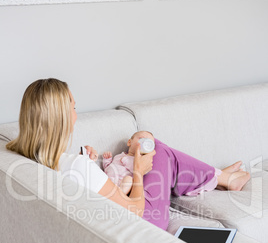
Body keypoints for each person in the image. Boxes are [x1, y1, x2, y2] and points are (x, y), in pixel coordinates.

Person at [6, 78, 251, 231]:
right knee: (153, 146)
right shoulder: (77, 166)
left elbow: (83, 183)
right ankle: (224, 179)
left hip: (117, 209)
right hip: (145, 221)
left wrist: (90, 164)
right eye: (73, 107)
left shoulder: (24, 155)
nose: (76, 115)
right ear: (61, 118)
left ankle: (218, 177)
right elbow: (134, 210)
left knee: (149, 150)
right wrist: (138, 172)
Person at [102, 130, 155, 195]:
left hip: (120, 185)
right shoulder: (119, 155)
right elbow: (108, 168)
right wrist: (107, 160)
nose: (145, 143)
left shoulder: (139, 161)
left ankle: (120, 195)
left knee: (129, 180)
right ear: (129, 142)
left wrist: (126, 160)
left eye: (149, 142)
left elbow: (136, 171)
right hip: (107, 180)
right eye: (141, 139)